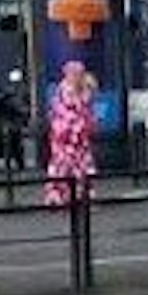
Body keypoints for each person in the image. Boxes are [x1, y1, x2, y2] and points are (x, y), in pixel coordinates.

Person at [43, 61, 98, 207]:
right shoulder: (63, 90)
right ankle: (58, 196)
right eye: (74, 74)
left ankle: (81, 195)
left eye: (79, 73)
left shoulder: (85, 89)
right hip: (65, 138)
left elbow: (87, 111)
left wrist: (87, 124)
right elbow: (62, 113)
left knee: (82, 166)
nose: (77, 77)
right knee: (63, 167)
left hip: (79, 139)